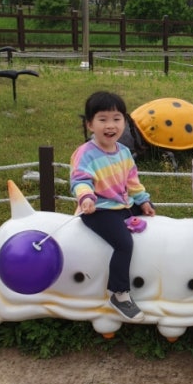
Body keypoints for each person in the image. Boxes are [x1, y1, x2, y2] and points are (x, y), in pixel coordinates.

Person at [70, 91, 155, 321]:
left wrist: (143, 201)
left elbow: (132, 182)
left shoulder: (125, 152)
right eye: (103, 119)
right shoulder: (85, 153)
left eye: (116, 119)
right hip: (98, 210)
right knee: (124, 244)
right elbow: (80, 181)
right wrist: (86, 198)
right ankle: (119, 293)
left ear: (124, 122)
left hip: (123, 205)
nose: (110, 125)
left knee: (154, 225)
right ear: (90, 124)